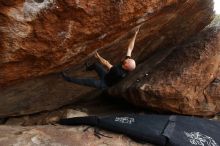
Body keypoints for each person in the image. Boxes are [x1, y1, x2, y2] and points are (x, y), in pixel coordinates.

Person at [61, 26, 140, 89]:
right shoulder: (127, 65)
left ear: (126, 66)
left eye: (128, 60)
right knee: (95, 65)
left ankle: (67, 78)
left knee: (85, 81)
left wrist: (98, 56)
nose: (127, 58)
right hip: (106, 76)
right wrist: (135, 34)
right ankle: (87, 68)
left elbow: (106, 63)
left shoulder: (118, 72)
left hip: (104, 84)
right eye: (129, 58)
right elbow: (130, 48)